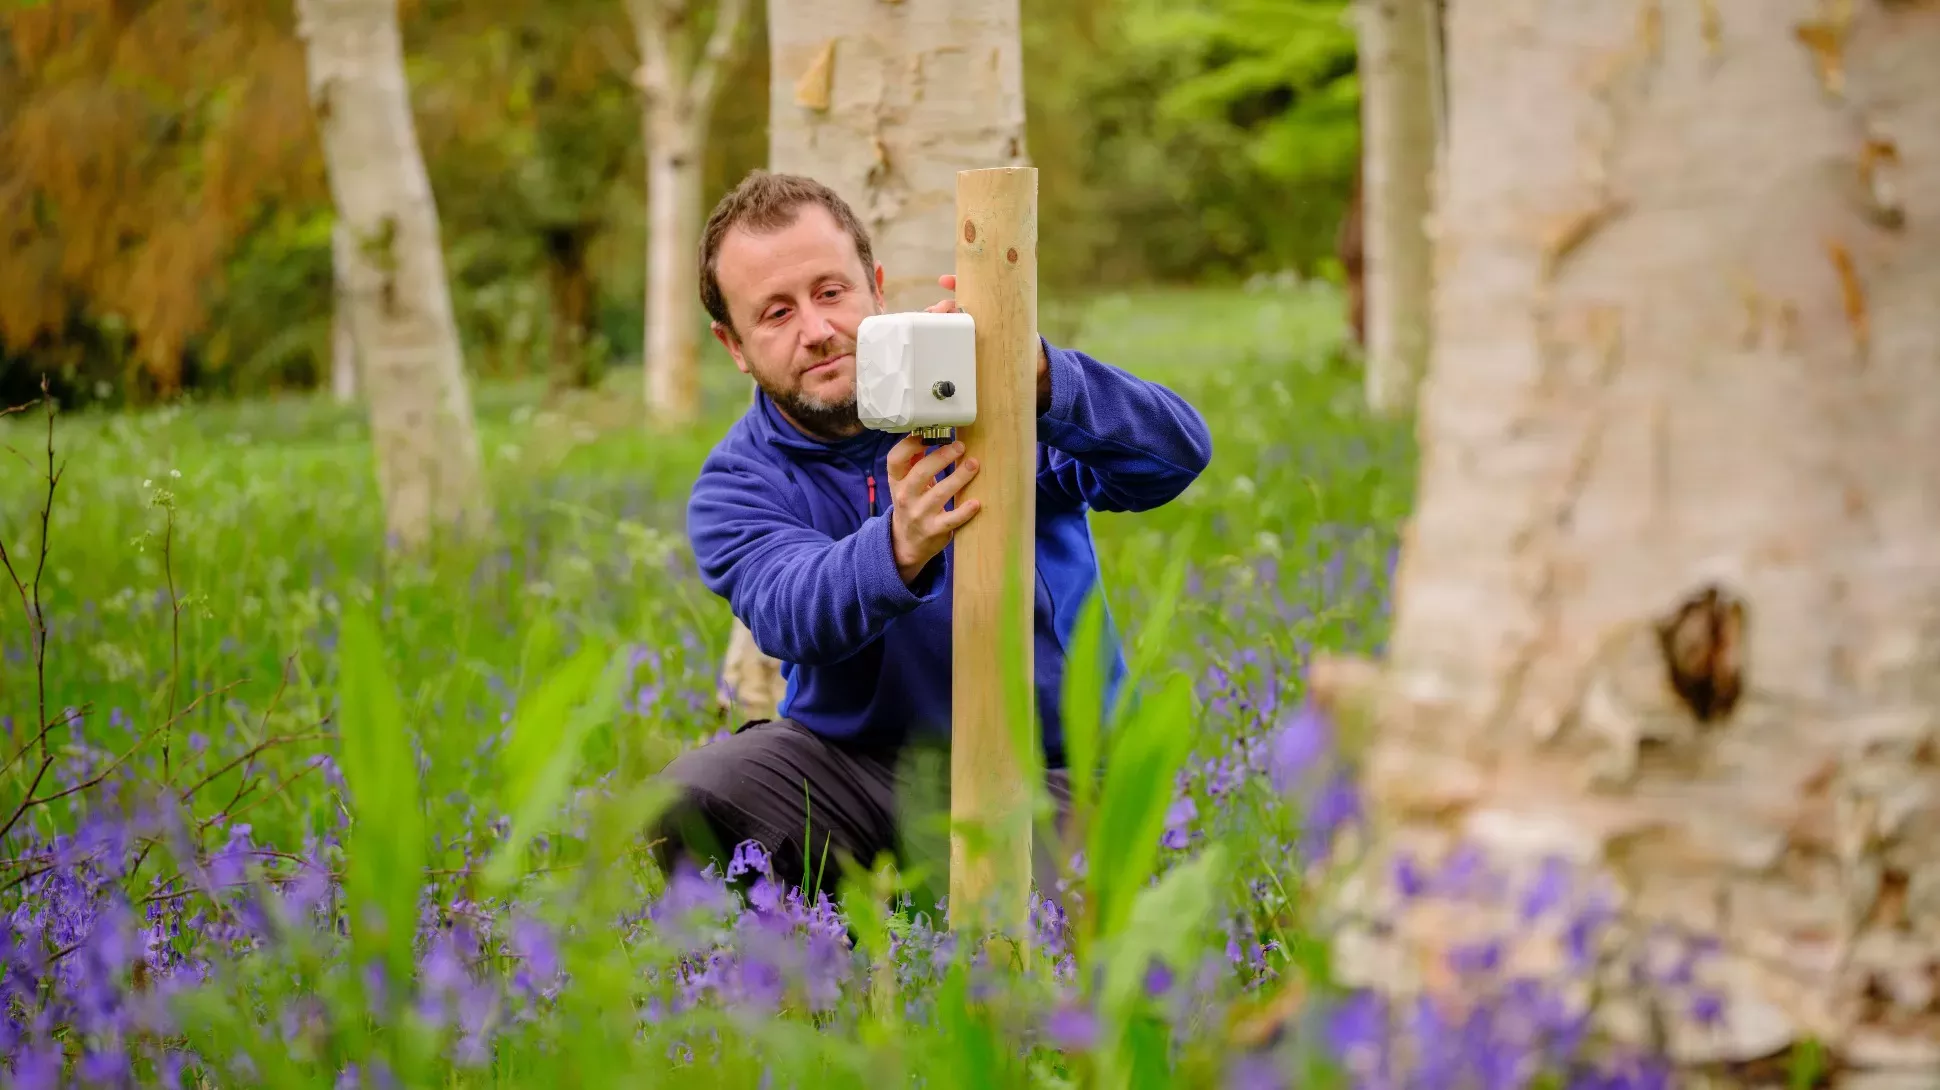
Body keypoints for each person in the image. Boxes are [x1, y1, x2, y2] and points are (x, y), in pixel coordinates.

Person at [649, 169, 1212, 901]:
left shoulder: (984, 389)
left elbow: (1173, 459)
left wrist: (1036, 377)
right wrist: (898, 547)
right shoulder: (738, 484)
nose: (817, 331)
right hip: (860, 773)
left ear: (875, 285)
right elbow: (791, 613)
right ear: (733, 345)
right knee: (690, 797)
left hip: (1054, 771)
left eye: (830, 292)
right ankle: (809, 976)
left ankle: (925, 937)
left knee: (1018, 932)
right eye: (776, 313)